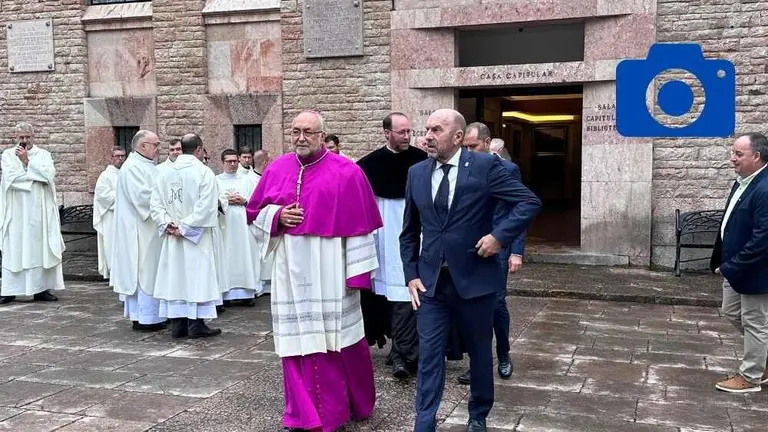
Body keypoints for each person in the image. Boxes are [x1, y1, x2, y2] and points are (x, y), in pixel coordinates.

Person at [400, 109, 541, 432]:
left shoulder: (486, 165)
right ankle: (424, 422)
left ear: (458, 137)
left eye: (437, 129)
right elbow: (408, 232)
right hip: (431, 285)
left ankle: (478, 414)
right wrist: (411, 275)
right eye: (427, 129)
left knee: (479, 353)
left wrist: (499, 237)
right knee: (430, 355)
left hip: (476, 280)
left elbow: (528, 202)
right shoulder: (417, 173)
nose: (428, 136)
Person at [246, 110, 382, 432]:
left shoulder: (347, 172)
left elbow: (361, 228)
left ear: (322, 136)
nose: (300, 138)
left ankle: (340, 409)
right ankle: (302, 416)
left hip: (331, 270)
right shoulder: (277, 168)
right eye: (295, 131)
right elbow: (253, 214)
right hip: (290, 272)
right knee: (296, 344)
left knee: (337, 342)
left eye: (308, 132)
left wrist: (357, 275)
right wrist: (277, 217)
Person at [357, 112, 427, 379]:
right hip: (380, 239)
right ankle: (396, 348)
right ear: (387, 133)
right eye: (401, 132)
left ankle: (404, 353)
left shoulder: (421, 161)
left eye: (409, 131)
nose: (407, 136)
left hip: (412, 237)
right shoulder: (369, 165)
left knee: (406, 298)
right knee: (384, 297)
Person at [457, 124, 527, 384]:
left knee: (496, 305)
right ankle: (478, 363)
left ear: (487, 143)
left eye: (472, 146)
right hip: (470, 249)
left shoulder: (508, 170)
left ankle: (504, 354)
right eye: (465, 147)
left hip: (498, 249)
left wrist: (516, 252)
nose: (468, 152)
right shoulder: (461, 170)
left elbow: (518, 211)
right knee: (473, 308)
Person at [150, 133, 223, 339]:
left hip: (173, 235)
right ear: (199, 149)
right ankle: (195, 324)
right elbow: (206, 207)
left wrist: (168, 224)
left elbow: (155, 204)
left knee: (175, 278)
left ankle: (178, 324)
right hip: (195, 238)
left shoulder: (163, 172)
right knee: (196, 278)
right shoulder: (203, 172)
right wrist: (185, 227)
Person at [711, 132, 768, 393]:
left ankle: (751, 377)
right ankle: (762, 357)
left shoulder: (765, 188)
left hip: (756, 271)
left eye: (738, 154)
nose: (731, 158)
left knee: (755, 322)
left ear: (756, 156)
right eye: (733, 152)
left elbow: (763, 239)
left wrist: (731, 266)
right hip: (735, 267)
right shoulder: (743, 182)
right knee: (732, 312)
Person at [0, 122, 65, 305]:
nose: (24, 141)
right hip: (17, 211)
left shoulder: (43, 155)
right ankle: (10, 290)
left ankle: (41, 289)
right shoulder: (7, 155)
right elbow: (11, 178)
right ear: (16, 137)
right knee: (15, 248)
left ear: (33, 137)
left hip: (38, 212)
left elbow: (48, 176)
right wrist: (34, 176)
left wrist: (27, 162)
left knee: (39, 249)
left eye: (27, 137)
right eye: (21, 137)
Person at [109, 130, 166, 331]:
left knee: (151, 270)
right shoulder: (133, 167)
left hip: (149, 229)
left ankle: (154, 315)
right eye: (155, 144)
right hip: (139, 230)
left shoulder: (149, 166)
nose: (158, 149)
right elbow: (143, 197)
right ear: (142, 146)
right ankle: (145, 317)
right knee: (143, 271)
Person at [216, 149, 266, 306]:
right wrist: (225, 201)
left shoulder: (247, 180)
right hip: (226, 225)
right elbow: (212, 201)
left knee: (246, 255)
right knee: (227, 256)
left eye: (234, 161)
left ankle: (247, 292)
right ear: (222, 162)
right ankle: (226, 294)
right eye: (228, 161)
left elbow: (257, 200)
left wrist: (244, 201)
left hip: (244, 225)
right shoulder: (216, 180)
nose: (232, 164)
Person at [92, 147, 127, 280]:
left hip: (125, 216)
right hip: (111, 216)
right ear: (111, 158)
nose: (120, 158)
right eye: (117, 156)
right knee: (112, 244)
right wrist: (123, 195)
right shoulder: (105, 176)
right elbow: (103, 196)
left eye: (122, 156)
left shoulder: (127, 173)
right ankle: (114, 273)